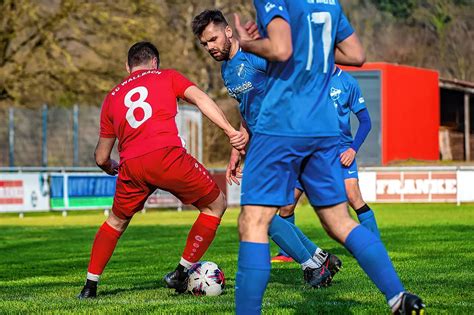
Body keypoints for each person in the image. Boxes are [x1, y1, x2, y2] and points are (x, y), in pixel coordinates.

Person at [232, 1, 425, 314]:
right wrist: (313, 54)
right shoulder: (328, 2)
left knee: (254, 222)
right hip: (323, 129)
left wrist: (246, 43)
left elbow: (280, 49)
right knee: (339, 222)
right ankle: (397, 297)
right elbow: (356, 55)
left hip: (282, 123)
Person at [78, 41, 246, 298]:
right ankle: (180, 273)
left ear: (128, 66)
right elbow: (200, 99)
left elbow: (101, 156)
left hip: (132, 165)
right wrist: (230, 131)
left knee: (115, 222)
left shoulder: (112, 97)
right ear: (154, 63)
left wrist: (111, 165)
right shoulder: (166, 76)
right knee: (216, 205)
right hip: (167, 156)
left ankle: (90, 286)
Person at [191, 9, 342, 287]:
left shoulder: (255, 56)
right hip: (264, 145)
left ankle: (314, 265)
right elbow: (248, 109)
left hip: (284, 138)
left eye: (212, 39)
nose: (210, 47)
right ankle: (320, 258)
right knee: (264, 213)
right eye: (204, 44)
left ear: (228, 31)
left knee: (258, 214)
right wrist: (236, 150)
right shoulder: (227, 68)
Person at [274, 65, 380, 261]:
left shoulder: (347, 82)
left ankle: (373, 247)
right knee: (287, 204)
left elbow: (365, 121)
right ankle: (287, 252)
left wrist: (352, 149)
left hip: (340, 151)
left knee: (353, 196)